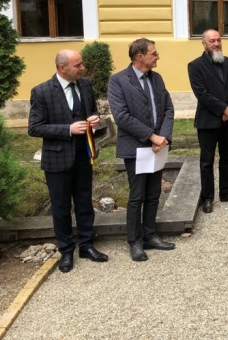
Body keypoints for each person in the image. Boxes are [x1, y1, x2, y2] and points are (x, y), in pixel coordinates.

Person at [28, 50, 108, 273]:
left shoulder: (84, 86)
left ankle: (87, 245)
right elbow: (34, 128)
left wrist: (94, 119)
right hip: (57, 160)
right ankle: (66, 251)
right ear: (62, 68)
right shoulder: (42, 91)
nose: (82, 68)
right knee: (61, 209)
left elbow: (91, 112)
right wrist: (68, 129)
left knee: (84, 205)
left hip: (83, 156)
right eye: (77, 65)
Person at [108, 38, 175, 262]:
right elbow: (122, 117)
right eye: (154, 54)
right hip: (136, 148)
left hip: (157, 147)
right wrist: (151, 136)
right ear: (140, 56)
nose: (158, 57)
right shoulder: (118, 81)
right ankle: (134, 241)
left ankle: (150, 235)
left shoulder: (157, 79)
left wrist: (163, 137)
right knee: (137, 196)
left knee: (154, 194)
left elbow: (168, 108)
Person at [188, 29, 228, 214]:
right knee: (207, 161)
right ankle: (207, 198)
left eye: (218, 40)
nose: (216, 44)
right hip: (208, 121)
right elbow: (201, 94)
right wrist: (223, 109)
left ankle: (226, 192)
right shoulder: (195, 66)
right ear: (204, 44)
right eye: (212, 41)